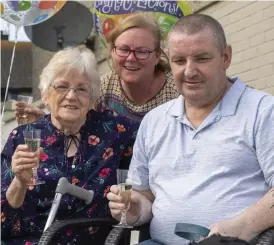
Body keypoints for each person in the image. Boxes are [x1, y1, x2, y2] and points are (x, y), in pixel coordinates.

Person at [107, 13, 274, 245]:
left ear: (226, 57)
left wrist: (241, 226)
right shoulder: (154, 121)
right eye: (179, 60)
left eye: (202, 58)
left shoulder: (262, 111)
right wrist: (134, 208)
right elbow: (145, 196)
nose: (189, 71)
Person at [1, 46, 139, 245]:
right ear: (45, 95)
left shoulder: (115, 131)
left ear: (92, 97)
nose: (71, 96)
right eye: (62, 87)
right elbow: (3, 224)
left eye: (82, 88)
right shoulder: (22, 137)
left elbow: (154, 133)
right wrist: (19, 183)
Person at [15, 14, 179, 122]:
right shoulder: (101, 89)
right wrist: (46, 120)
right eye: (123, 49)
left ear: (157, 56)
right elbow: (77, 127)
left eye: (142, 51)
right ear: (112, 52)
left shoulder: (178, 92)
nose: (131, 58)